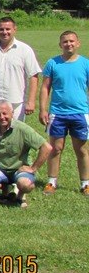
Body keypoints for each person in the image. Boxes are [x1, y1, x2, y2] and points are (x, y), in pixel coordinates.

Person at [38, 30, 89, 195]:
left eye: (72, 41)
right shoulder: (53, 63)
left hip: (80, 113)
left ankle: (85, 184)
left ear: (78, 43)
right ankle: (52, 182)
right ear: (60, 45)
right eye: (65, 41)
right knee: (56, 148)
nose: (69, 44)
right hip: (57, 113)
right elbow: (45, 87)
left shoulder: (85, 64)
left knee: (81, 149)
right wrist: (43, 109)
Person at [0, 101, 52, 207]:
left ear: (12, 113)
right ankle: (6, 188)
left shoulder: (22, 129)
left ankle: (20, 196)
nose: (1, 117)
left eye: (5, 113)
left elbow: (46, 147)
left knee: (25, 184)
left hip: (19, 170)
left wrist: (33, 168)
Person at [0, 17, 41, 122]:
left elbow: (33, 75)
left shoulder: (25, 50)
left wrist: (31, 101)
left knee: (15, 134)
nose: (4, 32)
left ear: (14, 29)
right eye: (1, 29)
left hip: (15, 101)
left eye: (8, 29)